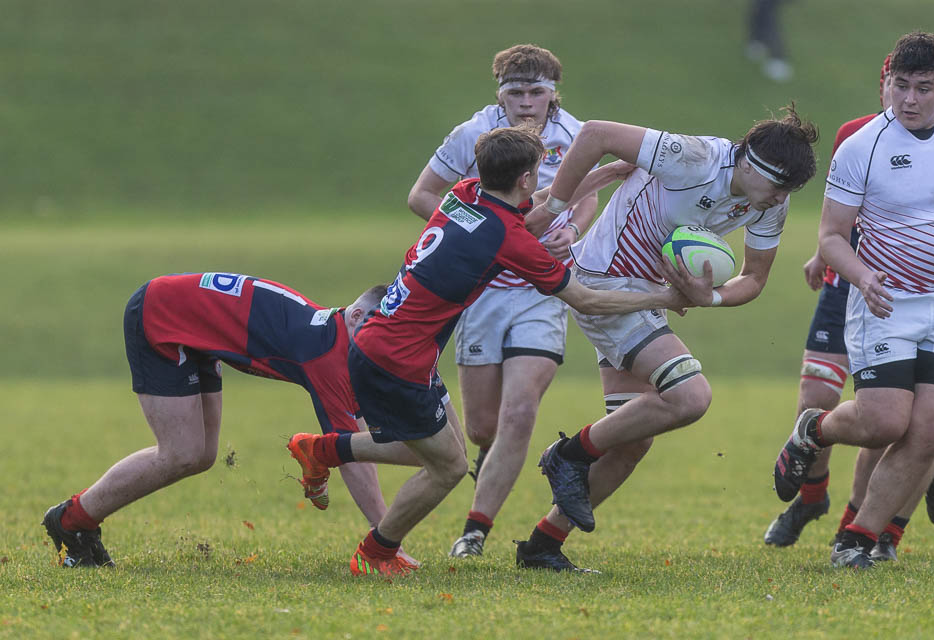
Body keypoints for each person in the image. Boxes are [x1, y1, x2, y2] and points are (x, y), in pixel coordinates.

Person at [286, 126, 696, 577]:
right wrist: (666, 297)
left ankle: (322, 450)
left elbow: (532, 210)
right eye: (537, 174)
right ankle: (377, 551)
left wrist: (606, 173)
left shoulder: (466, 195)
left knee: (433, 450)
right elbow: (586, 299)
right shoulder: (505, 237)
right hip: (397, 362)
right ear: (524, 177)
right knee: (448, 467)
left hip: (385, 345)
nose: (539, 184)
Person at [512, 105, 820, 572]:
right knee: (690, 396)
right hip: (604, 283)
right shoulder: (694, 157)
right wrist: (552, 208)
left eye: (789, 192)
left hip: (646, 299)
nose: (780, 200)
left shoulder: (769, 201)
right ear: (752, 163)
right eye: (778, 187)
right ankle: (568, 454)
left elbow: (753, 278)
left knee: (633, 440)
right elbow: (596, 133)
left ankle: (542, 545)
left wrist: (708, 297)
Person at [771, 31, 934, 570]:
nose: (908, 98)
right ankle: (814, 428)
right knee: (884, 423)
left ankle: (857, 538)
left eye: (922, 88)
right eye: (899, 85)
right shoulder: (863, 145)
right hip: (886, 304)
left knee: (928, 427)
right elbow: (832, 235)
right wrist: (861, 276)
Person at [42, 275, 409, 568]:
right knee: (180, 453)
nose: (380, 344)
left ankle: (78, 521)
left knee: (201, 455)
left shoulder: (341, 339)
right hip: (159, 314)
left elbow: (356, 434)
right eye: (377, 332)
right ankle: (72, 520)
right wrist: (386, 542)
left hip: (196, 327)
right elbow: (349, 453)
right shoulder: (327, 352)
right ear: (357, 317)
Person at [406, 44, 603, 559]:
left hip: (542, 291)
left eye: (537, 92)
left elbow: (585, 195)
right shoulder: (473, 135)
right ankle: (489, 467)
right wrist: (477, 233)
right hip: (483, 292)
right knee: (483, 428)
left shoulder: (574, 135)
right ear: (500, 94)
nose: (526, 102)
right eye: (516, 92)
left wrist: (574, 230)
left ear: (554, 94)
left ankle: (475, 530)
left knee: (520, 411)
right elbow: (422, 195)